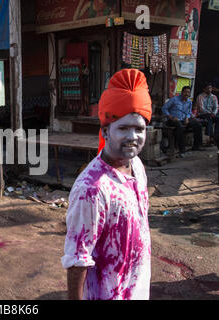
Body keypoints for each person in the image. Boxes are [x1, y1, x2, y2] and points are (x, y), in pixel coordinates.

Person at [62, 69, 152, 300]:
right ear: (105, 131)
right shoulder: (92, 188)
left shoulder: (137, 165)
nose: (133, 136)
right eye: (123, 128)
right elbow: (77, 259)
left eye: (139, 129)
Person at [162, 86, 203, 157]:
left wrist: (187, 118)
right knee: (180, 127)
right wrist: (170, 117)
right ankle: (182, 149)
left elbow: (189, 112)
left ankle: (196, 146)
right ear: (182, 92)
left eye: (188, 92)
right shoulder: (174, 99)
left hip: (183, 119)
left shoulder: (189, 101)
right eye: (185, 92)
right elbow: (164, 108)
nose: (187, 94)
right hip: (173, 120)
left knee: (198, 125)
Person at [195, 83, 219, 147]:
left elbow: (216, 107)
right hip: (202, 114)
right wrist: (209, 113)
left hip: (211, 114)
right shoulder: (200, 96)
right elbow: (201, 108)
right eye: (207, 88)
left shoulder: (214, 97)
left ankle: (215, 136)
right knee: (209, 118)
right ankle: (210, 138)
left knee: (218, 118)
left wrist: (214, 113)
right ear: (204, 89)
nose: (209, 90)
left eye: (210, 88)